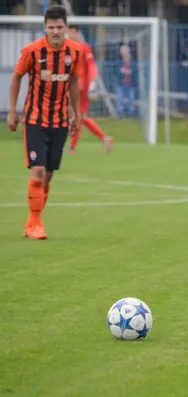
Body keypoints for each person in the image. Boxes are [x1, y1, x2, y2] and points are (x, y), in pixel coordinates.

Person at [8, 5, 82, 240]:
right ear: (45, 28)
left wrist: (76, 114)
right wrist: (12, 112)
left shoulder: (75, 51)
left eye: (59, 27)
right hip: (35, 119)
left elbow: (74, 83)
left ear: (66, 28)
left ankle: (35, 221)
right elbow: (17, 77)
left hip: (59, 121)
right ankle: (34, 223)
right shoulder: (32, 51)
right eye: (51, 27)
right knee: (38, 169)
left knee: (48, 174)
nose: (55, 32)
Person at [66, 24, 113, 153]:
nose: (71, 35)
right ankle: (104, 138)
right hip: (72, 86)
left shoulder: (84, 47)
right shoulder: (68, 48)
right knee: (81, 117)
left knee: (78, 116)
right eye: (69, 32)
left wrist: (92, 84)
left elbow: (91, 66)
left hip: (81, 87)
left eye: (73, 32)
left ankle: (72, 147)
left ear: (78, 33)